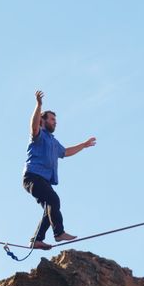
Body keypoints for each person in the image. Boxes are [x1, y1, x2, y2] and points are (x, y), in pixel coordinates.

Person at [23, 90, 96, 250]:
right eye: (52, 119)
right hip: (33, 176)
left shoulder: (53, 142)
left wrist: (83, 145)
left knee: (50, 210)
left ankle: (36, 240)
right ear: (43, 121)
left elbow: (66, 152)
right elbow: (33, 125)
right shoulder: (38, 134)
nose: (55, 122)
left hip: (43, 180)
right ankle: (59, 233)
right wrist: (39, 105)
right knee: (54, 201)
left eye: (55, 120)